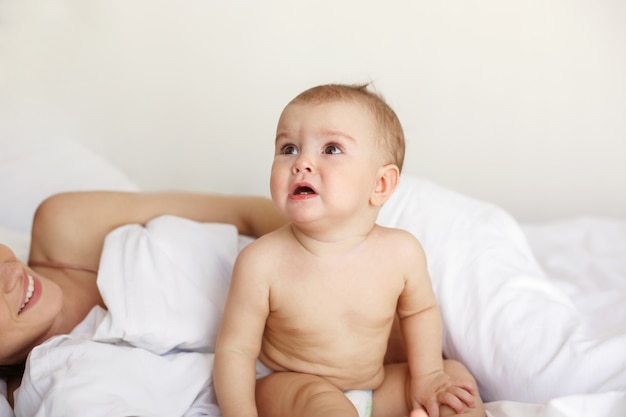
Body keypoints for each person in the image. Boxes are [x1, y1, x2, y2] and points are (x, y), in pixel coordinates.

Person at [213, 84, 485, 417]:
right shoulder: (262, 262)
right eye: (288, 148)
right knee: (327, 407)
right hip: (292, 387)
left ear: (380, 185)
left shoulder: (402, 252)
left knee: (456, 385)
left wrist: (429, 377)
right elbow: (235, 350)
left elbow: (420, 313)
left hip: (375, 386)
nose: (301, 163)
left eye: (330, 148)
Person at [0, 191, 287, 406]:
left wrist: (324, 266)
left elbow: (247, 212)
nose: (11, 271)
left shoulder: (63, 221)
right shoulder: (57, 392)